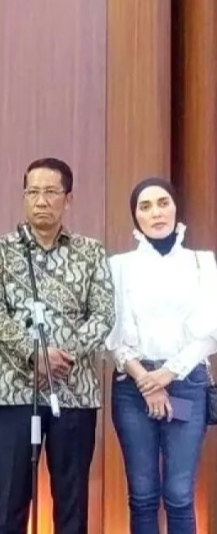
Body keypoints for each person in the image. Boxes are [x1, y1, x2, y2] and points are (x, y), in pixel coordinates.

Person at [0, 158, 114, 534]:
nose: (41, 200)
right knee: (10, 499)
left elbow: (103, 315)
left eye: (51, 192)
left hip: (74, 392)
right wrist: (34, 354)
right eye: (33, 192)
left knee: (72, 501)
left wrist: (59, 358)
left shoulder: (90, 251)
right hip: (12, 392)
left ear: (68, 199)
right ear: (24, 197)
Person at [106, 178, 217, 534]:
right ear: (135, 217)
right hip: (132, 387)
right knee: (142, 495)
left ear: (175, 208)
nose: (156, 212)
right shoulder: (118, 266)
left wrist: (167, 374)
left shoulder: (201, 262)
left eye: (163, 203)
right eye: (145, 206)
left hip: (187, 384)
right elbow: (111, 334)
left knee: (180, 495)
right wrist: (145, 380)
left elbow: (210, 331)